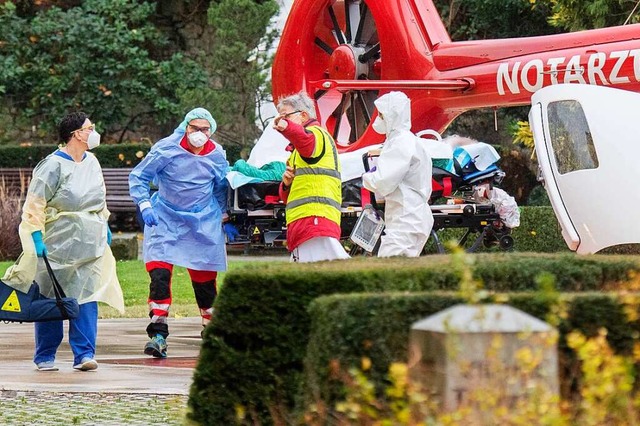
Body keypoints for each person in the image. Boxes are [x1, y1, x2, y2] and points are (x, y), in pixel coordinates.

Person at [2, 112, 124, 371]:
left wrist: (104, 223)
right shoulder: (52, 165)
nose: (93, 132)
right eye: (89, 128)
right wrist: (35, 235)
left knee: (86, 296)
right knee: (50, 298)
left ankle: (84, 354)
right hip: (58, 241)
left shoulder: (92, 162)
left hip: (89, 242)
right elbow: (35, 203)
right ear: (77, 134)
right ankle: (45, 355)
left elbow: (99, 198)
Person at [129, 107, 229, 358]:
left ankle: (211, 328)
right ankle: (158, 333)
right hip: (165, 219)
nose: (199, 133)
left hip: (202, 221)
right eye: (194, 128)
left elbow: (221, 187)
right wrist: (144, 204)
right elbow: (140, 176)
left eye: (204, 129)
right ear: (185, 127)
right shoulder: (166, 148)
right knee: (160, 275)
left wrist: (226, 216)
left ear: (211, 131)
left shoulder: (216, 155)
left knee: (205, 280)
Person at [273, 92, 350, 263]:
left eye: (285, 115)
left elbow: (305, 142)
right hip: (306, 222)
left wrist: (286, 127)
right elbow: (287, 197)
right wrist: (285, 184)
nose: (281, 119)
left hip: (315, 220)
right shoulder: (297, 151)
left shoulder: (316, 135)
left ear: (304, 115)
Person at [362, 91, 433, 257]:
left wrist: (366, 177)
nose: (378, 120)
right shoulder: (406, 140)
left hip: (406, 219)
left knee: (389, 274)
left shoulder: (400, 142)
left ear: (391, 116)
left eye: (381, 116)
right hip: (411, 216)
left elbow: (383, 182)